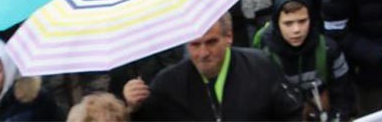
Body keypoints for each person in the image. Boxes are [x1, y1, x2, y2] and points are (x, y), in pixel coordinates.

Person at [125, 14, 304, 121]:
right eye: (195, 45)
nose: (203, 53)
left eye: (211, 42)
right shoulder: (167, 84)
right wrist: (134, 108)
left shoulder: (260, 66)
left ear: (229, 37)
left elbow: (291, 113)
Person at [251, 0, 355, 122]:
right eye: (288, 23)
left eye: (302, 21)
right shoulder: (263, 56)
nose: (296, 30)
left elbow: (343, 94)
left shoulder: (329, 48)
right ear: (277, 23)